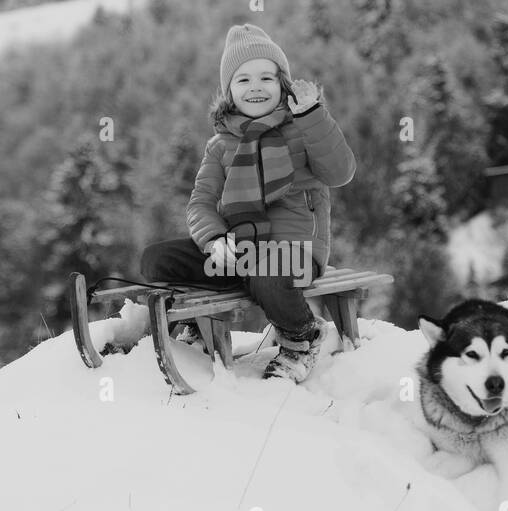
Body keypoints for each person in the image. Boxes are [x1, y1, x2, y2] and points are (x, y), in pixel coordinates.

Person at [139, 23, 356, 382]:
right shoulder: (220, 145)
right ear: (229, 91)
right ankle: (195, 324)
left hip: (295, 253)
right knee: (157, 259)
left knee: (267, 273)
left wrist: (313, 116)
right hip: (239, 254)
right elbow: (201, 203)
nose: (255, 87)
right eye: (243, 80)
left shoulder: (305, 128)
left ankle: (303, 336)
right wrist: (214, 240)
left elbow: (340, 172)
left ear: (283, 85)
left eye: (266, 78)